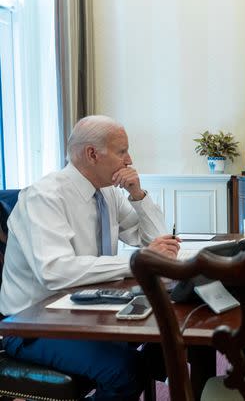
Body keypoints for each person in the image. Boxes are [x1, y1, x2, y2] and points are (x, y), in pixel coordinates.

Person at [0, 115, 180, 401]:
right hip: (33, 324)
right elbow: (55, 271)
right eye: (122, 151)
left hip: (83, 310)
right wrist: (140, 260)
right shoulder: (45, 197)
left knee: (165, 340)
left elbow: (158, 242)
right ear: (92, 154)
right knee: (124, 371)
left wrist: (138, 193)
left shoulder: (108, 192)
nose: (130, 159)